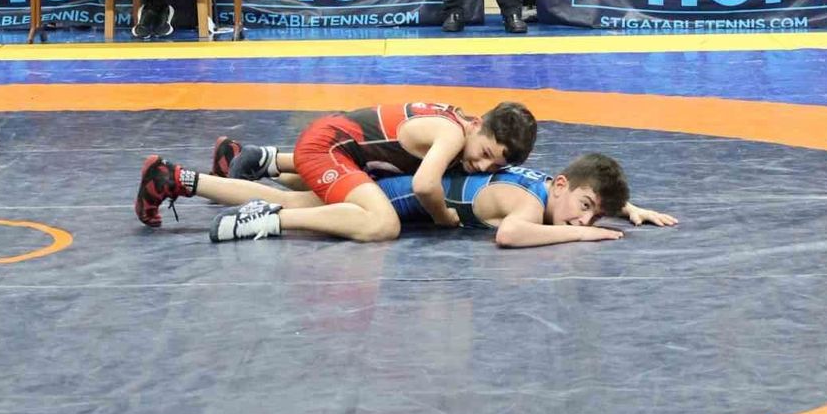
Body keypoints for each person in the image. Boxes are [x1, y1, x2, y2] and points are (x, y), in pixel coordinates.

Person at [135, 101, 539, 244]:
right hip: (329, 146)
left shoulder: (458, 125)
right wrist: (442, 216)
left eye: (494, 166)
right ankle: (266, 216)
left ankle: (176, 179)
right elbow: (424, 184)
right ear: (477, 124)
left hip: (340, 147)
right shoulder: (451, 135)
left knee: (310, 201)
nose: (481, 166)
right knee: (381, 223)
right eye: (485, 154)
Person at [161, 147, 675, 246]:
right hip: (391, 195)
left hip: (397, 181)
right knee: (296, 205)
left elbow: (579, 194)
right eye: (585, 209)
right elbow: (511, 235)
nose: (582, 222)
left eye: (592, 217)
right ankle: (179, 179)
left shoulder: (546, 184)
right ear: (561, 186)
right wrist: (582, 239)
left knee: (303, 194)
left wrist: (626, 209)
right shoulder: (526, 204)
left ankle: (193, 177)